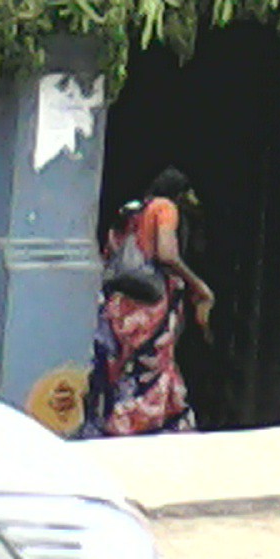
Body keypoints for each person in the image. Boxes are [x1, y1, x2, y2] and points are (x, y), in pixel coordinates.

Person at [82, 167, 214, 437]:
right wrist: (197, 284)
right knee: (154, 365)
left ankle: (113, 418)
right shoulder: (164, 208)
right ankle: (145, 424)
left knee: (121, 363)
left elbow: (110, 252)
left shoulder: (129, 211)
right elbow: (166, 253)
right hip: (151, 302)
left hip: (121, 304)